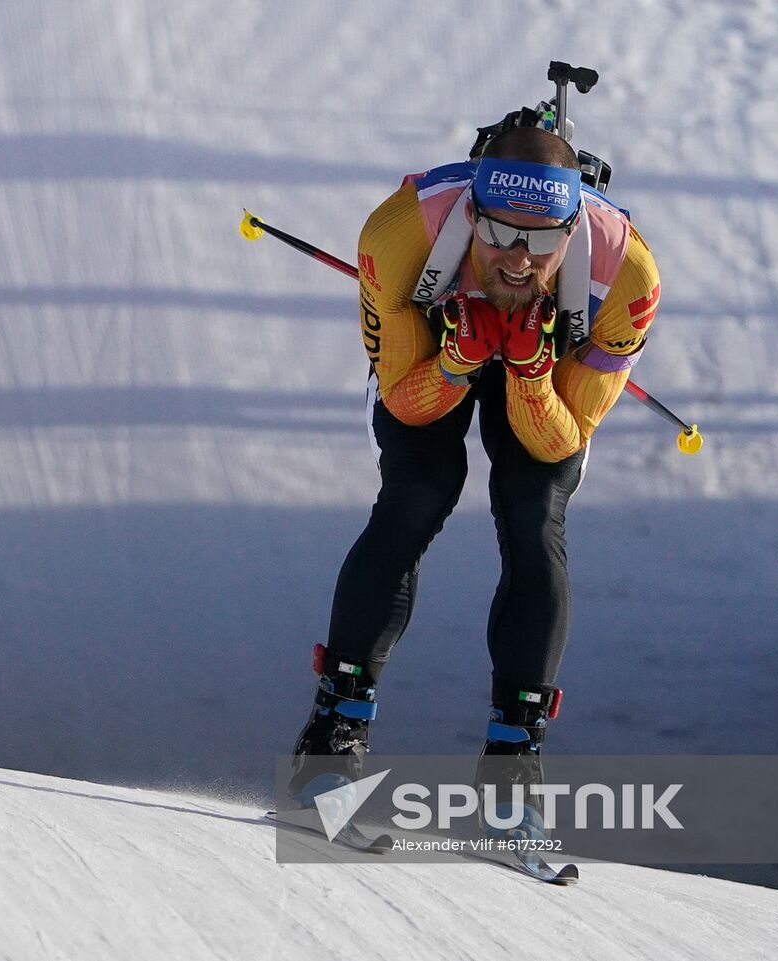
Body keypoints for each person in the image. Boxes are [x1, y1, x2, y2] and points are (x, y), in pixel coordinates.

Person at [288, 123, 660, 802]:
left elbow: (559, 440)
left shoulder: (628, 274)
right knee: (421, 488)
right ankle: (331, 742)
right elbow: (406, 404)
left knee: (533, 508)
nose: (518, 259)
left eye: (544, 240)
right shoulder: (401, 235)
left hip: (548, 367)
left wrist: (526, 370)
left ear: (574, 229)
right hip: (432, 343)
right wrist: (459, 359)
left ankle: (513, 764)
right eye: (498, 234)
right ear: (470, 214)